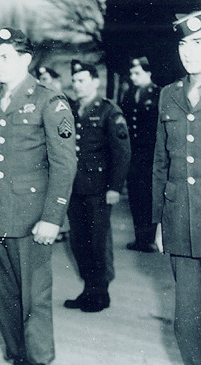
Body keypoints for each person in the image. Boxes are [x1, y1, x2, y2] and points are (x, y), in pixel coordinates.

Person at [0, 27, 77, 365]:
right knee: (2, 297)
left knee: (35, 300)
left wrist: (52, 218)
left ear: (26, 59)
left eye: (5, 57)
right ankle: (17, 357)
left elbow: (64, 165)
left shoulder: (50, 101)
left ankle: (40, 360)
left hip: (33, 218)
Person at [153, 11, 201, 365]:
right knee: (186, 322)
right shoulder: (169, 95)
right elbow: (161, 163)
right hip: (181, 222)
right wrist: (158, 221)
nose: (187, 51)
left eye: (197, 43)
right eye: (183, 44)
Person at [64, 60, 131, 313]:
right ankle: (88, 288)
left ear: (95, 82)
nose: (77, 85)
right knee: (78, 240)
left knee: (97, 241)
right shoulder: (70, 110)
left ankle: (100, 291)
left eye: (82, 80)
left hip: (99, 188)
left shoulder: (108, 111)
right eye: (75, 81)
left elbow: (122, 152)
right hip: (75, 187)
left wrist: (115, 187)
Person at [120, 57, 160, 253]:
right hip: (133, 155)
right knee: (135, 196)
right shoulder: (129, 94)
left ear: (148, 73)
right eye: (132, 74)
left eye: (138, 73)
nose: (133, 77)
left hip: (151, 155)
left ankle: (150, 238)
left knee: (149, 197)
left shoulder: (158, 94)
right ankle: (140, 238)